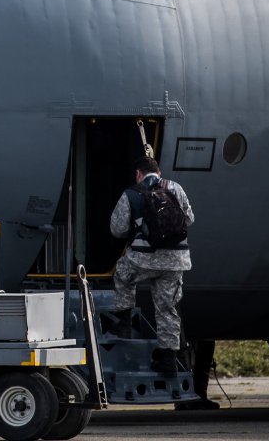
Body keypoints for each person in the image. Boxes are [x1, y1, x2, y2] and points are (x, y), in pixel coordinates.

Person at [107, 154, 194, 373]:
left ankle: (124, 324)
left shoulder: (131, 194)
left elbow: (117, 229)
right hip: (176, 261)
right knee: (167, 308)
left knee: (122, 274)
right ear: (159, 173)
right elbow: (189, 219)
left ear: (138, 174)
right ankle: (169, 360)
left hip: (143, 259)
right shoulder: (176, 188)